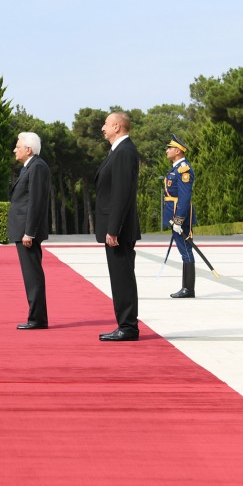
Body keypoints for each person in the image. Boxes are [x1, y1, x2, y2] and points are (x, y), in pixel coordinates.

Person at [95, 112, 141, 341]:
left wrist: (113, 229)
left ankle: (128, 327)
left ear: (116, 126)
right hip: (117, 227)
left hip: (119, 230)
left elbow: (121, 194)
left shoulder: (124, 152)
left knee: (122, 277)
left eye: (105, 124)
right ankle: (125, 324)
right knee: (120, 277)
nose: (102, 128)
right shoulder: (119, 151)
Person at [6, 132, 51, 330]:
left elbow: (36, 201)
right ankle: (35, 316)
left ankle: (37, 319)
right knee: (30, 275)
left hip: (28, 232)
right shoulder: (29, 167)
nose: (15, 149)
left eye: (18, 146)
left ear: (28, 149)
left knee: (33, 275)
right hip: (23, 230)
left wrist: (29, 232)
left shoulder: (37, 167)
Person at [163, 134, 196, 298]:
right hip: (174, 215)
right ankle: (186, 287)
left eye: (169, 148)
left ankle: (189, 289)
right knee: (183, 250)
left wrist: (179, 220)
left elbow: (184, 197)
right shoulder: (176, 168)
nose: (167, 151)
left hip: (180, 216)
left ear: (177, 150)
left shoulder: (184, 170)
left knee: (186, 250)